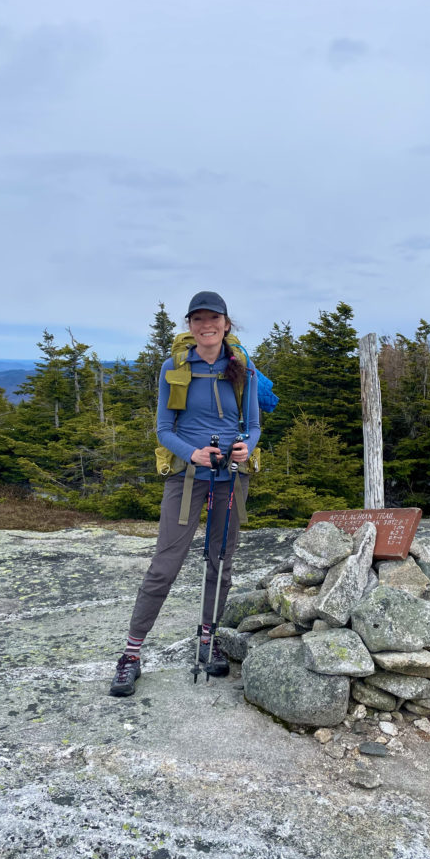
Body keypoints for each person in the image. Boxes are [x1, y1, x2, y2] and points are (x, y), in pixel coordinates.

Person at [109, 291, 260, 696]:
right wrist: (193, 453)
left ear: (227, 324)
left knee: (221, 561)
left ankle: (208, 641)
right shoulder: (174, 367)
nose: (205, 325)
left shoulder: (244, 366)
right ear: (190, 326)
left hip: (231, 475)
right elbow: (163, 429)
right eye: (198, 319)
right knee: (165, 564)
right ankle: (130, 655)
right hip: (186, 476)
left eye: (214, 318)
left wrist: (246, 445)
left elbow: (255, 424)